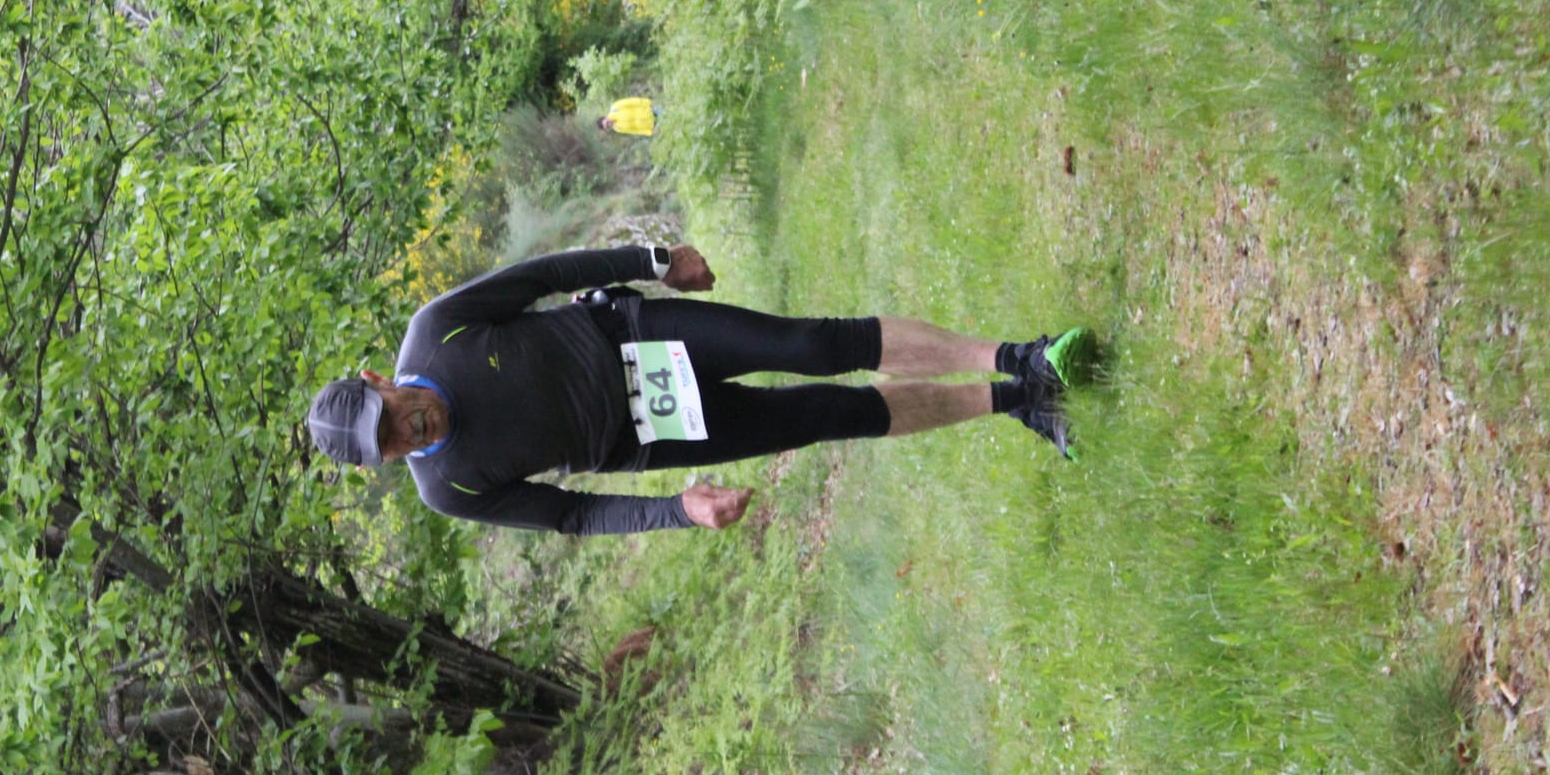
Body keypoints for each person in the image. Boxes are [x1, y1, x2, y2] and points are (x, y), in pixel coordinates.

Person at [306, 245, 1091, 535]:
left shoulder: (437, 327)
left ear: (379, 378)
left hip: (638, 339)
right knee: (831, 413)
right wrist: (674, 511)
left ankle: (1020, 355)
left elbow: (544, 275)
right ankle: (1019, 402)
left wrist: (652, 262)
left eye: (392, 415)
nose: (409, 430)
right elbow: (573, 514)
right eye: (394, 445)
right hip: (653, 433)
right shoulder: (451, 485)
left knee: (814, 345)